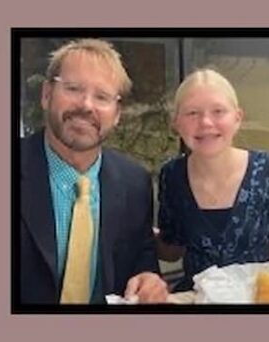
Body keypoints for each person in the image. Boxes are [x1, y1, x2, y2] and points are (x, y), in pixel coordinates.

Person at [19, 39, 168, 304]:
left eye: (102, 96)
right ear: (46, 95)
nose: (87, 105)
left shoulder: (135, 183)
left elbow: (142, 260)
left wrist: (149, 280)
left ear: (117, 113)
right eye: (73, 88)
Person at [155, 68, 269, 292]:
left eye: (218, 111)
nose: (206, 122)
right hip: (196, 299)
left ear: (237, 118)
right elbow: (172, 250)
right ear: (177, 123)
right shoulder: (171, 175)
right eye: (192, 113)